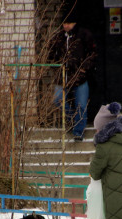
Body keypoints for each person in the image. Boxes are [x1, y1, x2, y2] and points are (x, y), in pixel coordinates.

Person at [48, 10, 97, 142]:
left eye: (69, 23)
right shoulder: (58, 37)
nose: (66, 26)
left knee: (81, 105)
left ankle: (78, 132)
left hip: (80, 78)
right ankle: (73, 120)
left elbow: (92, 55)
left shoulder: (84, 35)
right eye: (64, 23)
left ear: (75, 23)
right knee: (58, 99)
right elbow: (50, 55)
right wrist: (56, 67)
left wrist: (83, 70)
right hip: (62, 76)